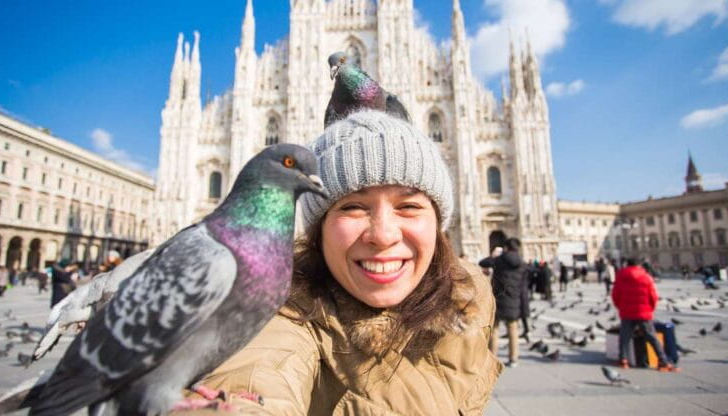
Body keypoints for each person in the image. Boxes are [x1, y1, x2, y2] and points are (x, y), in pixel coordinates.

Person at [174, 110, 501, 414]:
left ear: (438, 223)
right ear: (319, 230)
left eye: (409, 206)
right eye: (353, 207)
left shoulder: (467, 297)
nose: (383, 235)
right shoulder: (279, 314)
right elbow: (255, 374)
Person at [612, 257, 678, 372]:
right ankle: (663, 361)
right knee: (652, 337)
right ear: (639, 265)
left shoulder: (620, 276)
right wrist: (649, 309)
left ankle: (623, 360)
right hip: (644, 312)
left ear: (627, 265)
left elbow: (615, 295)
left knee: (624, 337)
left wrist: (621, 307)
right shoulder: (646, 277)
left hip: (626, 312)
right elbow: (653, 296)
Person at [480, 238, 525, 368]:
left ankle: (492, 359)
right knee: (513, 330)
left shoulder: (499, 260)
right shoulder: (522, 263)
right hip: (514, 300)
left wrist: (494, 255)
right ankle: (513, 359)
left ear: (506, 247)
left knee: (494, 330)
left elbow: (482, 262)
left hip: (499, 300)